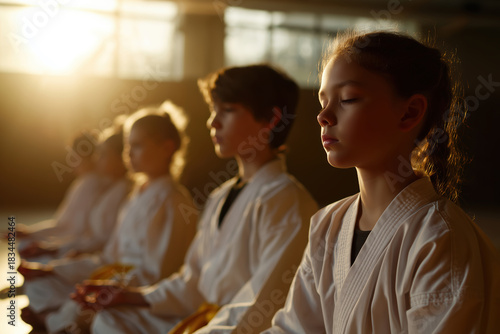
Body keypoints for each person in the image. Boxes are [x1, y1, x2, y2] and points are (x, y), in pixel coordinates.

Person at [263, 31, 500, 334]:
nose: (323, 116)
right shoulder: (327, 225)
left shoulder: (440, 239)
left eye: (348, 98)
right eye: (323, 100)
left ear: (410, 112)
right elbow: (292, 330)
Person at [73, 64, 318, 334]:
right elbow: (192, 281)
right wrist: (133, 295)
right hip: (203, 319)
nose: (212, 122)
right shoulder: (220, 196)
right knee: (110, 319)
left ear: (271, 119)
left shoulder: (286, 200)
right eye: (214, 110)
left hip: (236, 329)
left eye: (228, 110)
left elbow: (262, 306)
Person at [19, 102, 199, 333]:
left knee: (100, 318)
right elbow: (108, 258)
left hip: (141, 294)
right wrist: (54, 269)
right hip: (116, 282)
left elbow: (156, 275)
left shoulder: (173, 201)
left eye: (137, 146)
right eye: (127, 146)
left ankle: (54, 321)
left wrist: (116, 292)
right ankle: (57, 321)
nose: (129, 153)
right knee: (52, 288)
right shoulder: (136, 195)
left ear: (167, 148)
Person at [17, 131, 111, 260]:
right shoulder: (84, 182)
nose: (72, 163)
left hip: (78, 248)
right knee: (26, 245)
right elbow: (62, 224)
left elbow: (72, 229)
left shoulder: (91, 183)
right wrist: (30, 232)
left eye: (75, 157)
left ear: (90, 157)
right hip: (75, 245)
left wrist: (46, 245)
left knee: (26, 248)